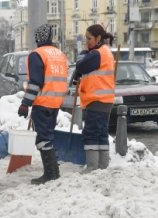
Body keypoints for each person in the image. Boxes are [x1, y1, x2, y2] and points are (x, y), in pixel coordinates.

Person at [17, 24, 68, 184]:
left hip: (43, 101)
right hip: (56, 102)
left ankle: (51, 174)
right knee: (48, 137)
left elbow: (35, 83)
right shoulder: (60, 54)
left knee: (43, 139)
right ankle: (53, 172)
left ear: (38, 38)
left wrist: (26, 103)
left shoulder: (37, 54)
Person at [74, 24, 115, 173]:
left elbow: (80, 66)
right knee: (101, 133)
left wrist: (84, 52)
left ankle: (92, 167)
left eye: (89, 38)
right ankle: (103, 166)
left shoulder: (97, 54)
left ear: (98, 38)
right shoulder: (105, 52)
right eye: (86, 38)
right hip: (104, 100)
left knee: (91, 133)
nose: (87, 41)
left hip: (96, 100)